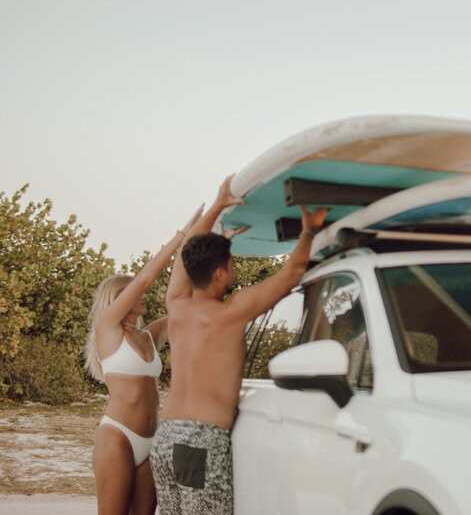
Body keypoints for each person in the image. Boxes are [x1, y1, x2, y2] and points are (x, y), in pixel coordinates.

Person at [150, 175, 326, 514]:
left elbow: (184, 257)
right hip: (201, 439)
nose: (234, 269)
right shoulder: (230, 313)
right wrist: (308, 229)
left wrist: (217, 205)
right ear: (219, 273)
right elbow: (293, 273)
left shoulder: (177, 304)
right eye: (231, 265)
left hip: (166, 436)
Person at [84, 206, 203, 515]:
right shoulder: (107, 330)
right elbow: (147, 277)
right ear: (116, 299)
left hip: (152, 439)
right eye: (129, 291)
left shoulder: (150, 334)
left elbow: (182, 298)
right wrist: (180, 235)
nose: (141, 294)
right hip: (118, 437)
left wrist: (194, 245)